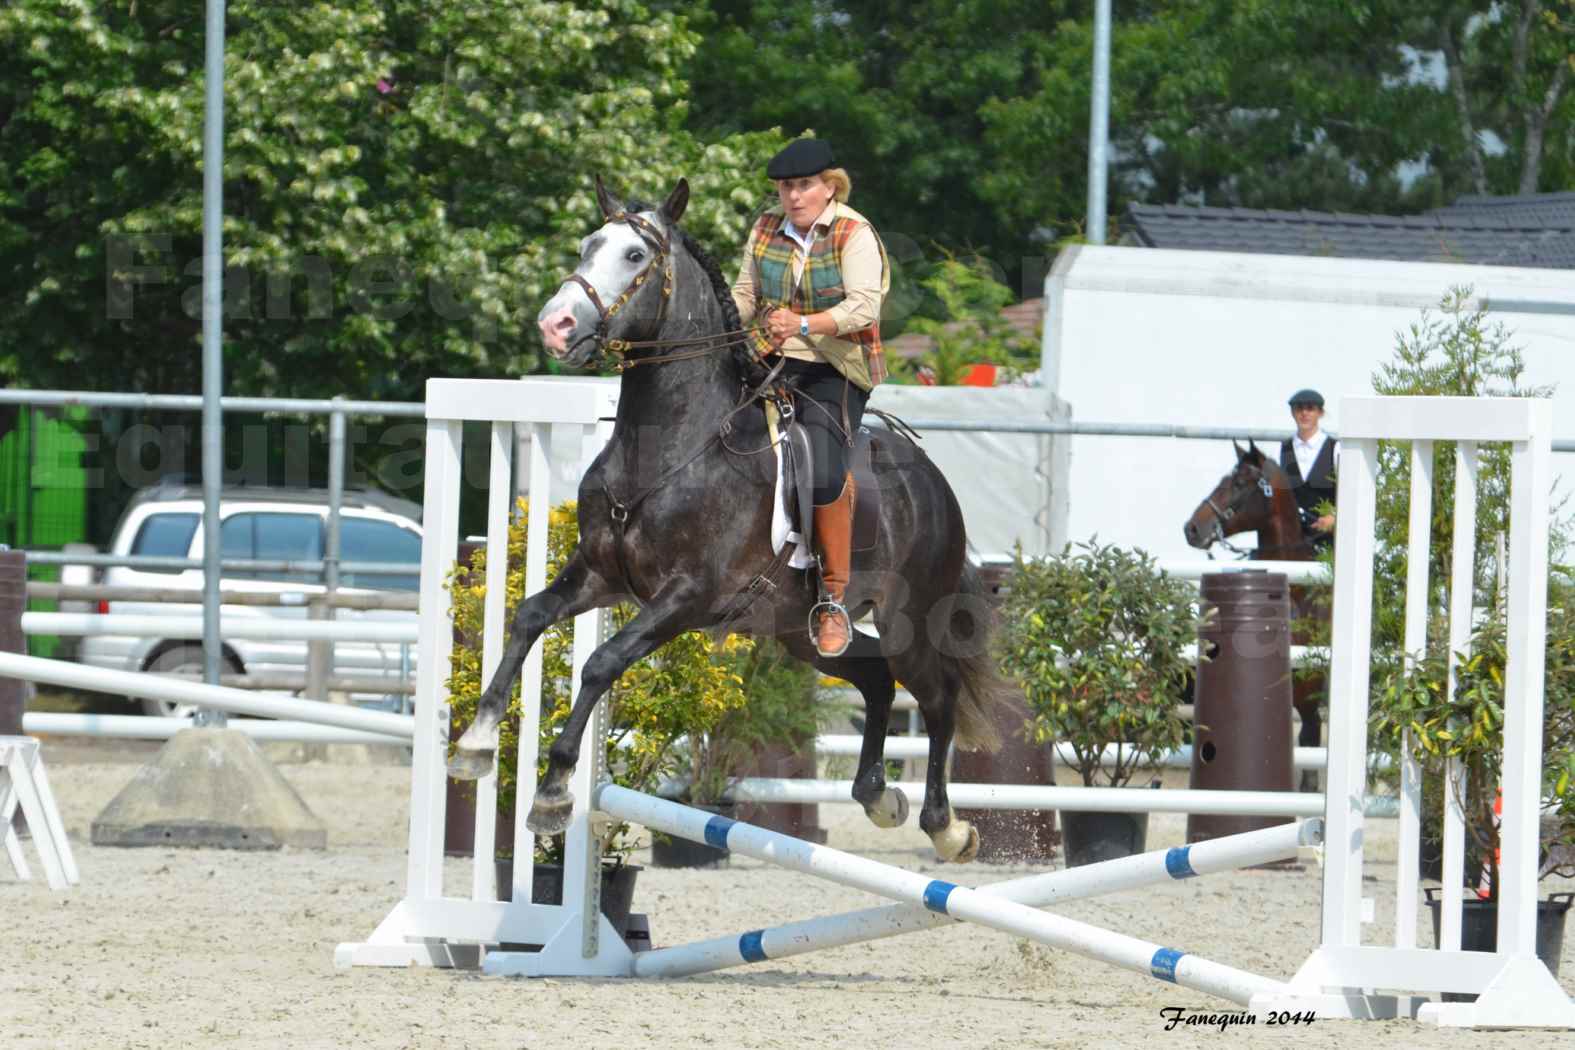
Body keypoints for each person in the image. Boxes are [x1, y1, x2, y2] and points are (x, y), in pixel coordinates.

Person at [729, 138, 891, 657]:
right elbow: (745, 294)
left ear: (829, 186)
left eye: (803, 186)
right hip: (771, 360)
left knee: (822, 471)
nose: (793, 197)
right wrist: (715, 322)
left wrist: (802, 322)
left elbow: (864, 308)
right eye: (785, 188)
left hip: (835, 369)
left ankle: (833, 599)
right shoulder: (764, 229)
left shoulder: (855, 232)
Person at [1279, 388, 1337, 545]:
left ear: (1320, 413)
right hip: (1291, 540)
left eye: (1310, 408)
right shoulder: (1284, 449)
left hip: (1328, 540)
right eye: (1299, 408)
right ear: (1293, 413)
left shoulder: (1335, 448)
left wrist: (1334, 516)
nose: (1304, 413)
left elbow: (1349, 492)